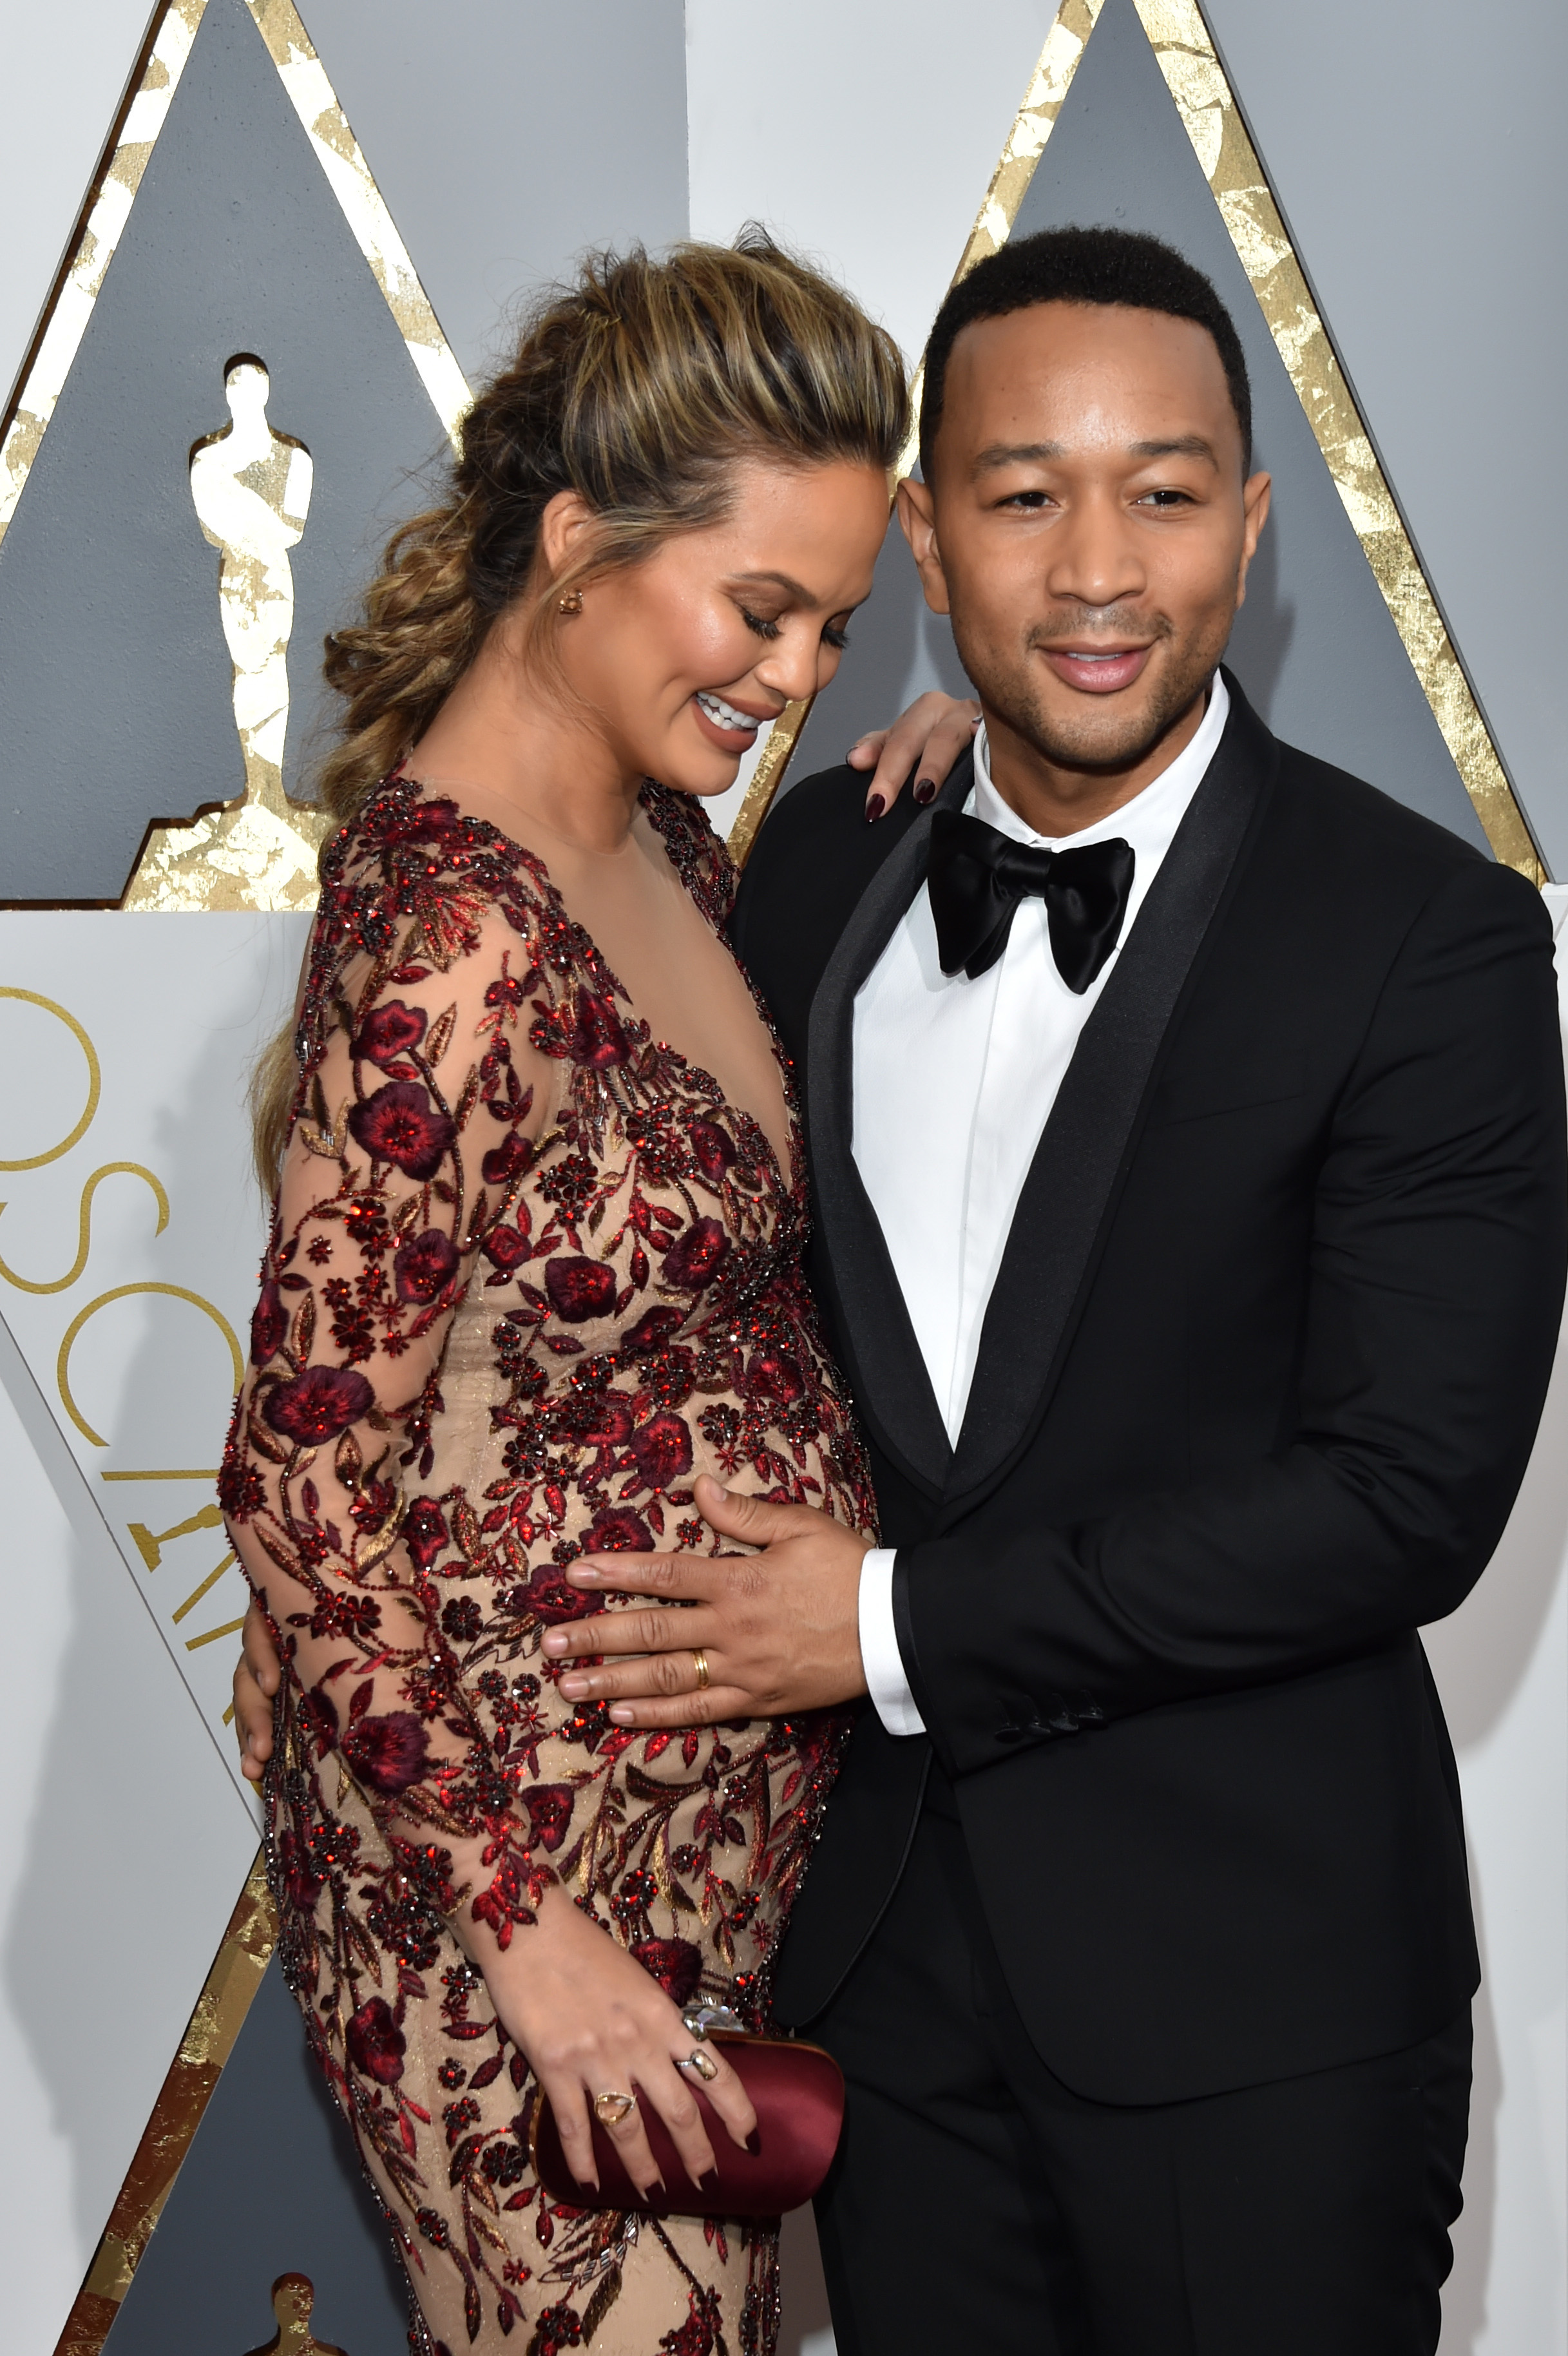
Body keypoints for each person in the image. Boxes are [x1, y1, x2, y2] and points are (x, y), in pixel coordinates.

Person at [438, 228, 1565, 2351]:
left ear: (1249, 518)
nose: (1097, 566)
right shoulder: (821, 868)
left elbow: (1401, 1495)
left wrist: (877, 1623)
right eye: (1022, 493)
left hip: (1259, 1999)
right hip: (879, 1982)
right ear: (927, 545)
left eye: (1160, 489)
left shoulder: (1427, 941)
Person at [222, 231, 973, 2356]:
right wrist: (530, 1934)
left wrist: (943, 764)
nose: (798, 669)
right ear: (575, 538)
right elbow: (294, 1482)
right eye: (762, 607)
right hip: (517, 1937)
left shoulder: (661, 843)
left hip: (693, 1896)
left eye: (835, 623)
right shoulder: (447, 931)